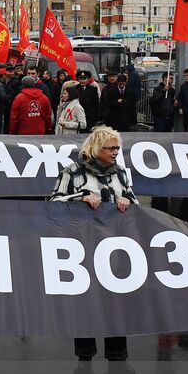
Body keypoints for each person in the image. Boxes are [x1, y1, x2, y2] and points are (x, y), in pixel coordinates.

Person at [49, 125, 137, 362]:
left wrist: (126, 200)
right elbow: (54, 202)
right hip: (83, 248)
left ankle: (117, 353)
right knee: (86, 301)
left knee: (115, 302)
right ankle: (85, 353)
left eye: (117, 148)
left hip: (114, 248)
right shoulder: (72, 172)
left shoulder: (120, 173)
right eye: (110, 148)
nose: (115, 153)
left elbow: (133, 199)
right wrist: (81, 198)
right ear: (96, 147)